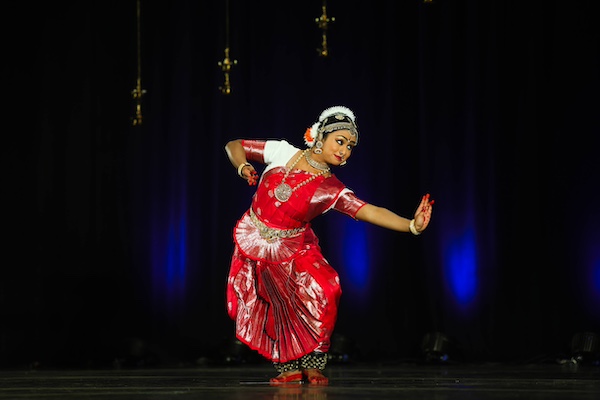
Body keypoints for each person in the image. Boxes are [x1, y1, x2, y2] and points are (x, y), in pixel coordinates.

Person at [224, 106, 434, 385]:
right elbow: (234, 145)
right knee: (277, 304)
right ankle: (288, 367)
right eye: (340, 141)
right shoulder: (282, 151)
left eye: (350, 146)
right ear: (320, 137)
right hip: (257, 241)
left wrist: (411, 225)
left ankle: (314, 362)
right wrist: (243, 166)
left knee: (326, 288)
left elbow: (368, 210)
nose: (345, 150)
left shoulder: (332, 187)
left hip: (296, 245)